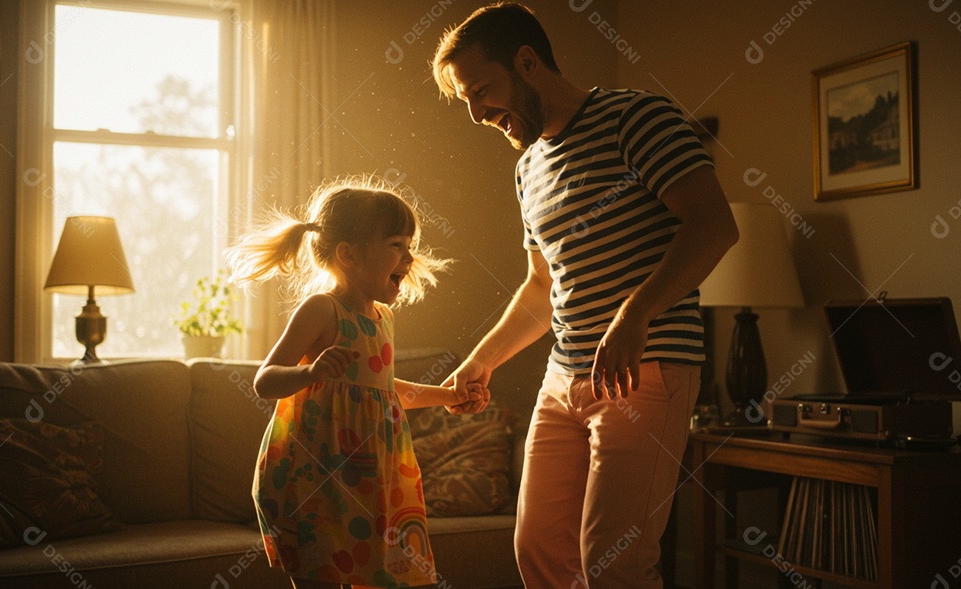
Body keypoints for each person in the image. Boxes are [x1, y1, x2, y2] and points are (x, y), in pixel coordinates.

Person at [431, 4, 739, 588]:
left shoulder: (636, 117)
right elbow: (541, 287)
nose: (475, 114)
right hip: (563, 378)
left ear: (527, 62)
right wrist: (481, 361)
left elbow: (713, 225)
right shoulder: (528, 169)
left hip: (646, 372)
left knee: (615, 565)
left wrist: (635, 313)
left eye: (482, 91)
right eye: (465, 100)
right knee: (540, 552)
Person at [226, 175, 480, 589]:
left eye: (410, 246)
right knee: (320, 574)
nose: (410, 258)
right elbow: (265, 380)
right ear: (348, 255)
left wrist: (448, 394)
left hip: (371, 479)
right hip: (317, 478)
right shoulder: (321, 310)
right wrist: (309, 374)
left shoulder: (384, 319)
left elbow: (384, 391)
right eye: (396, 245)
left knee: (375, 574)